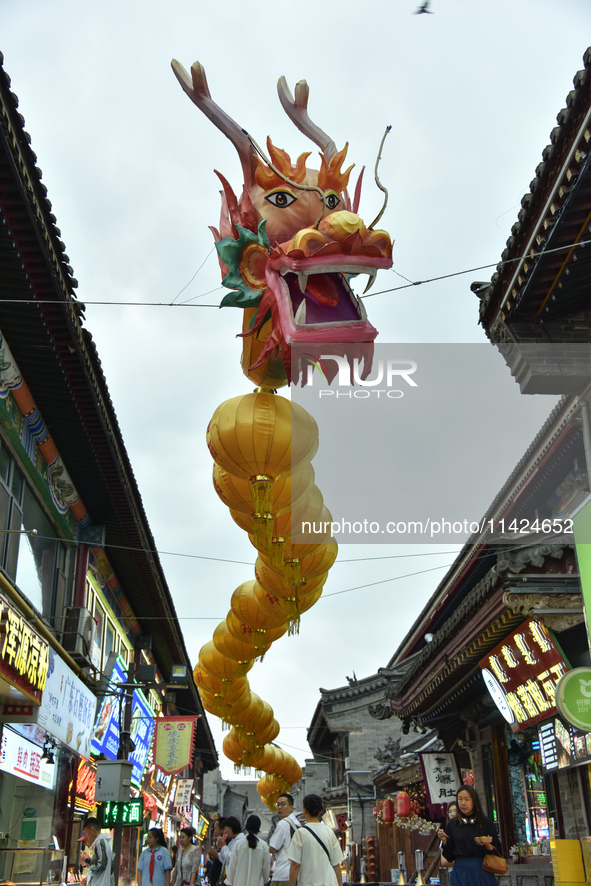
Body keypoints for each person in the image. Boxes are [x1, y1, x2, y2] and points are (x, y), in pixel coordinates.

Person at [440, 786, 502, 885]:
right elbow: (449, 857)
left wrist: (487, 845)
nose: (463, 803)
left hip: (482, 871)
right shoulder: (452, 824)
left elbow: (499, 852)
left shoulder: (486, 823)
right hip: (460, 872)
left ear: (474, 801)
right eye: (460, 799)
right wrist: (444, 841)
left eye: (467, 799)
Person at [287, 794, 343, 886]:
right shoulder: (329, 832)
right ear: (320, 811)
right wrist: (340, 884)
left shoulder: (300, 833)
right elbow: (336, 864)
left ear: (305, 811)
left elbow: (295, 864)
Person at [227, 815, 270, 886]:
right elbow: (266, 869)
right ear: (258, 828)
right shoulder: (263, 846)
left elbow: (232, 867)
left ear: (246, 827)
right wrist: (265, 880)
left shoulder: (238, 844)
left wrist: (230, 882)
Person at [269, 794, 300, 886]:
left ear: (291, 807)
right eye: (277, 805)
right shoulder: (297, 824)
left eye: (283, 804)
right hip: (295, 874)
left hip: (282, 874)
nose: (279, 807)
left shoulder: (283, 824)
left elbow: (272, 848)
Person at [78, 818, 114, 886]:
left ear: (91, 829)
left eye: (86, 831)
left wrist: (87, 860)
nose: (86, 835)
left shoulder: (100, 842)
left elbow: (100, 865)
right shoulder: (102, 842)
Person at [220, 818, 246, 886]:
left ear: (231, 827)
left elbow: (232, 858)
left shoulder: (240, 841)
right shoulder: (232, 841)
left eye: (225, 828)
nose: (224, 832)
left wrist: (223, 847)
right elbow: (225, 860)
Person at [209, 819, 226, 886]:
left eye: (215, 828)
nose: (214, 831)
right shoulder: (220, 843)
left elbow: (226, 860)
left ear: (222, 829)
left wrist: (216, 854)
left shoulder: (227, 844)